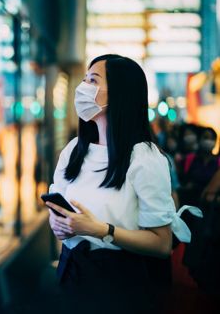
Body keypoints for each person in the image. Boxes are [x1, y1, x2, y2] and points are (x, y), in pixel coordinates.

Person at [45, 54, 202, 314]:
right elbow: (58, 208)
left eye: (92, 80)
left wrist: (100, 230)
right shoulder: (74, 150)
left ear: (119, 93)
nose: (82, 88)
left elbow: (161, 244)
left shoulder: (144, 157)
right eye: (84, 79)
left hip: (120, 282)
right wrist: (59, 225)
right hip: (73, 271)